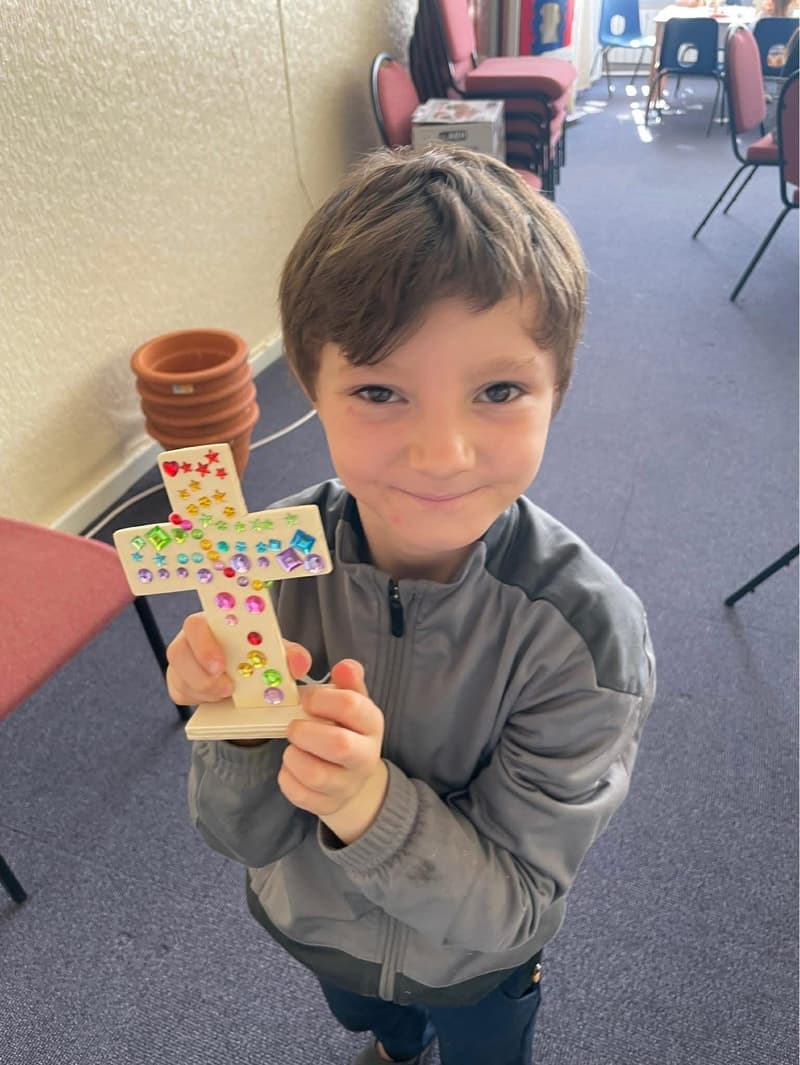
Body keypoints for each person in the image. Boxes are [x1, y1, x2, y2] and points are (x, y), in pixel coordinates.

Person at [166, 146, 657, 1065]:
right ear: (311, 391)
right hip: (322, 929)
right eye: (379, 391)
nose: (441, 453)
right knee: (370, 1020)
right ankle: (395, 1042)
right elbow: (237, 832)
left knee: (487, 1047)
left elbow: (514, 900)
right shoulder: (255, 567)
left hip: (474, 964)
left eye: (498, 390)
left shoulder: (586, 638)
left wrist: (368, 802)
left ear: (557, 390)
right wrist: (238, 730)